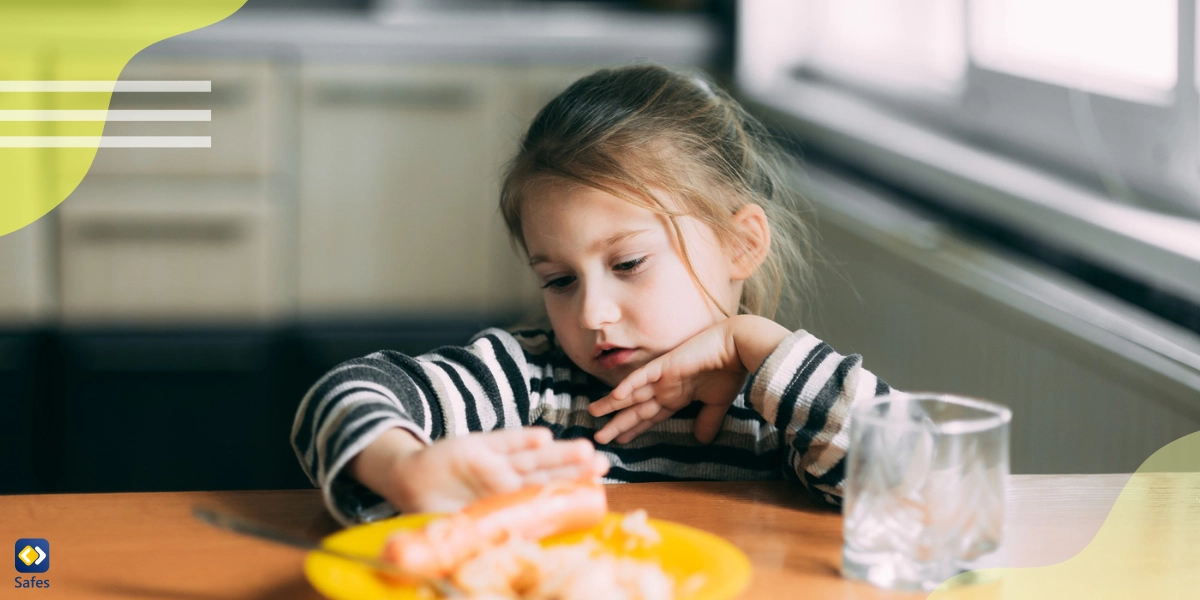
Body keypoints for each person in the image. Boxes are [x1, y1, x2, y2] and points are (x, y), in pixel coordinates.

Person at [291, 64, 895, 526]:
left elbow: (914, 481)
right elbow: (343, 396)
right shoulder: (528, 382)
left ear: (740, 244)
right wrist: (402, 469)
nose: (591, 314)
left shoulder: (784, 405)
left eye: (628, 263)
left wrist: (759, 345)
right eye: (559, 280)